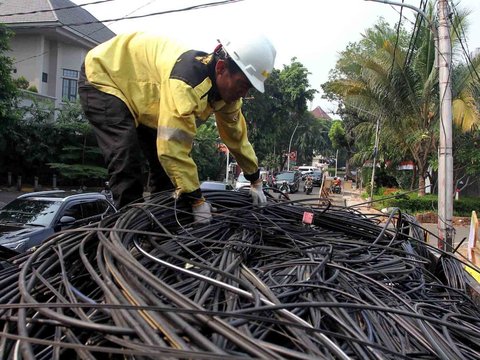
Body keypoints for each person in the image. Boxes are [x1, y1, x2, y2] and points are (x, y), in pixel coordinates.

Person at [78, 32, 276, 223]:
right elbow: (173, 149)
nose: (243, 93)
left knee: (166, 174)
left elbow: (237, 138)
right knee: (126, 157)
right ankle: (128, 233)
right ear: (221, 68)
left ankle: (158, 227)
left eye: (249, 89)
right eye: (242, 84)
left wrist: (255, 179)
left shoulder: (228, 95)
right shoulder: (187, 83)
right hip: (106, 75)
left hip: (145, 98)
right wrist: (197, 200)